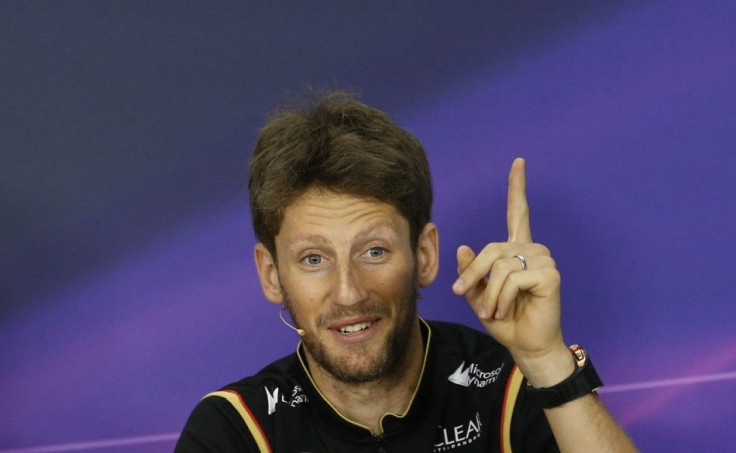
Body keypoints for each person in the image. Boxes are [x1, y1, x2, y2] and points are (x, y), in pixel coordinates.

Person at [176, 92, 637, 452]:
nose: (348, 292)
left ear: (425, 254)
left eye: (374, 251)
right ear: (272, 275)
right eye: (313, 259)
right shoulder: (235, 430)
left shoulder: (510, 385)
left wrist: (545, 360)